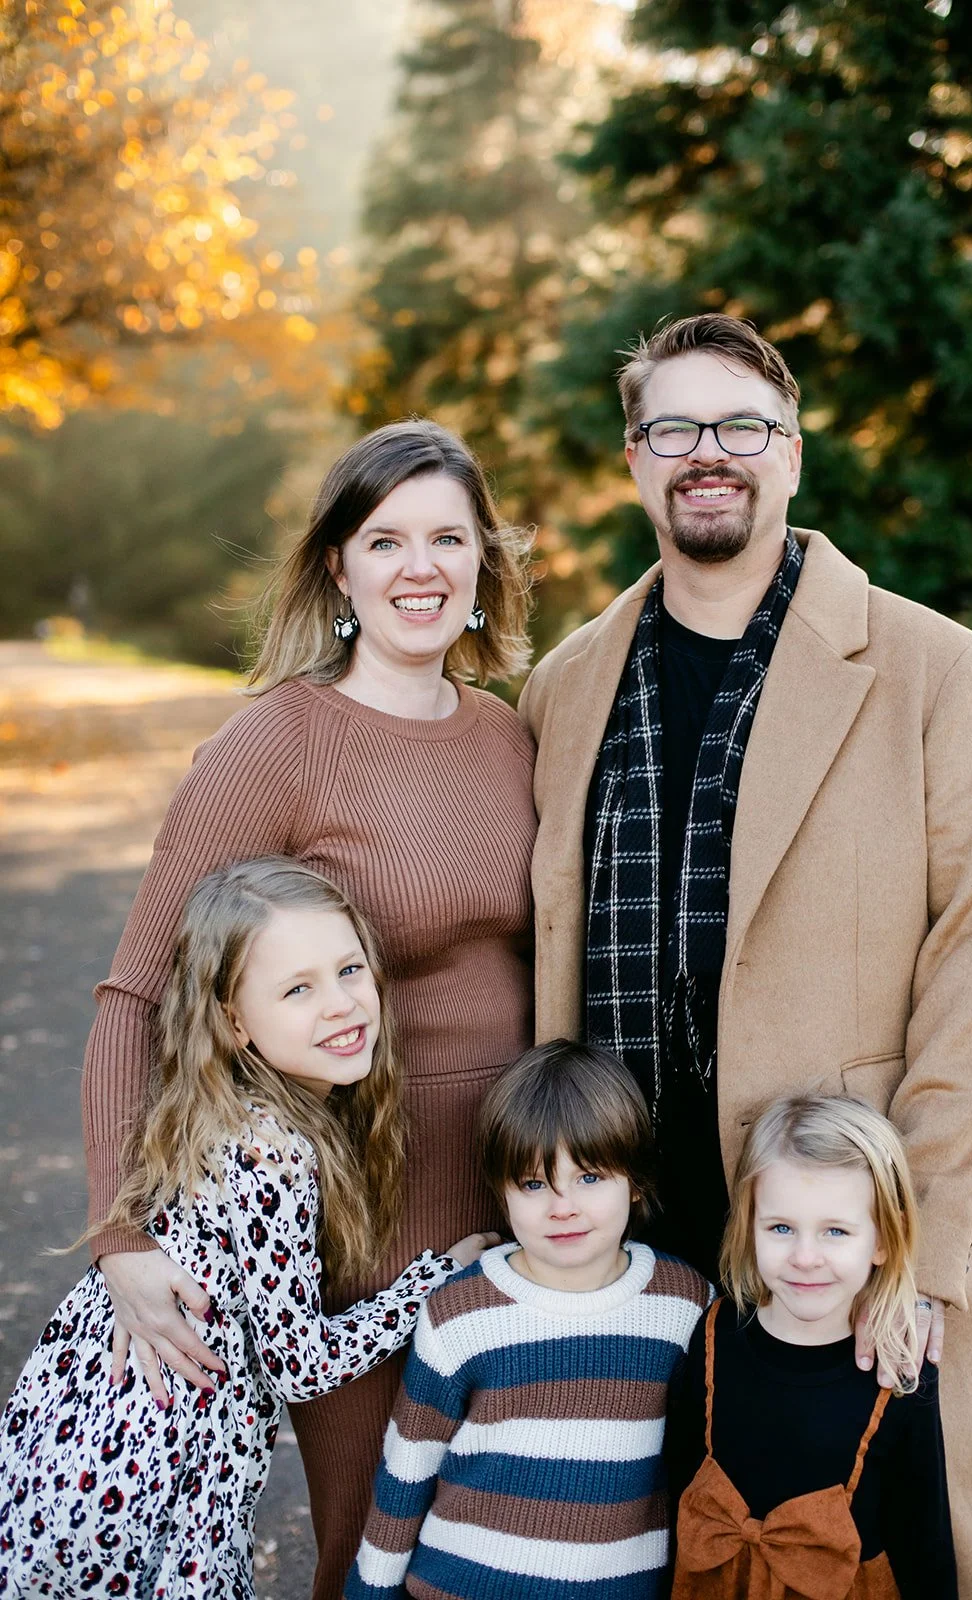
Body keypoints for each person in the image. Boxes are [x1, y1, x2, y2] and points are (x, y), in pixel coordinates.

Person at [517, 313, 972, 1600]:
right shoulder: (564, 686)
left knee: (866, 1567)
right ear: (636, 461)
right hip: (636, 1238)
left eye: (741, 425)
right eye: (676, 428)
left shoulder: (938, 673)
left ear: (792, 455)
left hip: (832, 1246)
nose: (711, 452)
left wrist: (900, 1251)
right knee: (665, 1562)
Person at [79, 420, 539, 1596]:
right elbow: (142, 993)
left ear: (485, 559)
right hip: (360, 1211)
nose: (420, 566)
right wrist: (122, 1236)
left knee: (520, 1534)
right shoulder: (275, 745)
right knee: (378, 1544)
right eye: (385, 540)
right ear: (339, 566)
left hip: (524, 1192)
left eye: (448, 536)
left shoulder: (512, 732)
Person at [0, 858, 495, 1598]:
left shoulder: (221, 1112)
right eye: (298, 989)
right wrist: (437, 1278)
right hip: (144, 1483)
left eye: (349, 970)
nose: (341, 1005)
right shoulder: (271, 1152)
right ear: (234, 1022)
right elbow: (302, 1363)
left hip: (73, 1444)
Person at [346, 1039, 708, 1600]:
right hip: (462, 1586)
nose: (562, 1206)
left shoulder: (683, 1305)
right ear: (503, 1192)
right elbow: (407, 1470)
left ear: (634, 1181)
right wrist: (371, 1590)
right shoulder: (461, 1314)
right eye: (535, 1184)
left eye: (589, 1177)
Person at [667, 1094, 956, 1600]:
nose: (805, 1257)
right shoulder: (714, 1336)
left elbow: (924, 1534)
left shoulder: (899, 1371)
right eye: (781, 1228)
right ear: (749, 1228)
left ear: (883, 1241)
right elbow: (677, 1482)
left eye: (835, 1232)